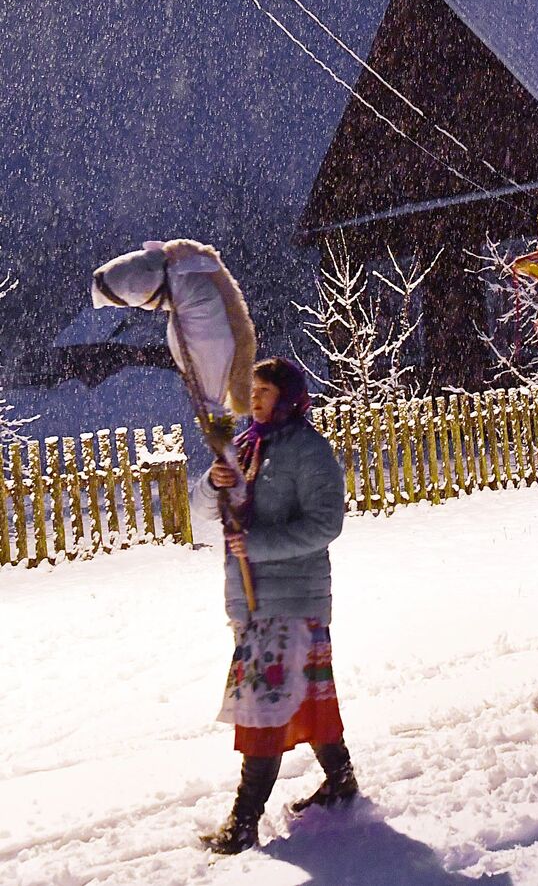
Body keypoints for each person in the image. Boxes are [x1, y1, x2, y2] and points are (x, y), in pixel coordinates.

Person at [192, 358, 355, 855]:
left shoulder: (310, 452)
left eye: (264, 391)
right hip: (252, 600)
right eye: (252, 391)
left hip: (292, 600)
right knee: (305, 699)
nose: (254, 399)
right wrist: (212, 485)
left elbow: (326, 523)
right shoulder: (244, 446)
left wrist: (257, 546)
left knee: (262, 708)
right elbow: (204, 516)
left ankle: (244, 821)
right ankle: (342, 783)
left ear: (287, 397)